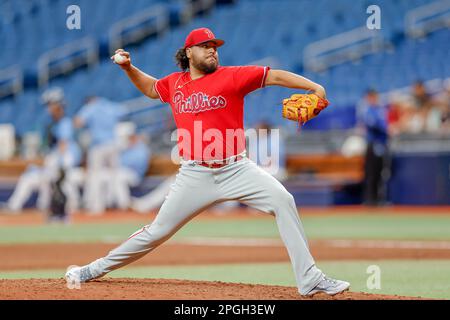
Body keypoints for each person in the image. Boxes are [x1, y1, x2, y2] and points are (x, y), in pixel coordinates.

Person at [65, 28, 350, 296]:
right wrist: (128, 68)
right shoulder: (175, 84)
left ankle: (309, 278)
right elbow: (152, 89)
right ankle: (92, 269)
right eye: (205, 46)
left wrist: (315, 87)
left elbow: (273, 76)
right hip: (195, 173)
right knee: (156, 233)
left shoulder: (232, 76)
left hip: (236, 167)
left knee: (283, 201)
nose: (213, 51)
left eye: (215, 47)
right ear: (189, 52)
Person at [6, 88, 82, 219]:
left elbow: (64, 148)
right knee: (31, 177)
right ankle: (14, 207)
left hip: (64, 167)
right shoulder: (53, 124)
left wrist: (59, 165)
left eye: (51, 104)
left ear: (59, 105)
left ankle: (66, 209)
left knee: (57, 180)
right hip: (54, 166)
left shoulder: (64, 123)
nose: (49, 108)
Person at [74, 96, 126, 214]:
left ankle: (96, 207)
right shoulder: (110, 105)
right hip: (113, 144)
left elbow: (77, 121)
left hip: (98, 146)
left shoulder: (91, 107)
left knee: (95, 175)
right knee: (116, 174)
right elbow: (124, 112)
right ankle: (122, 203)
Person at [106, 134, 151, 210]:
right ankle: (110, 203)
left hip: (136, 175)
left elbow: (137, 164)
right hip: (123, 172)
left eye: (131, 138)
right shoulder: (126, 148)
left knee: (119, 176)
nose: (130, 140)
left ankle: (124, 205)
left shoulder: (141, 149)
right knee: (112, 175)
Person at [360, 89, 389, 206]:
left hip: (381, 144)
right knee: (371, 173)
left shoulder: (380, 110)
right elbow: (374, 125)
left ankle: (379, 199)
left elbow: (384, 125)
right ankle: (370, 199)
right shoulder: (368, 110)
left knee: (381, 172)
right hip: (372, 145)